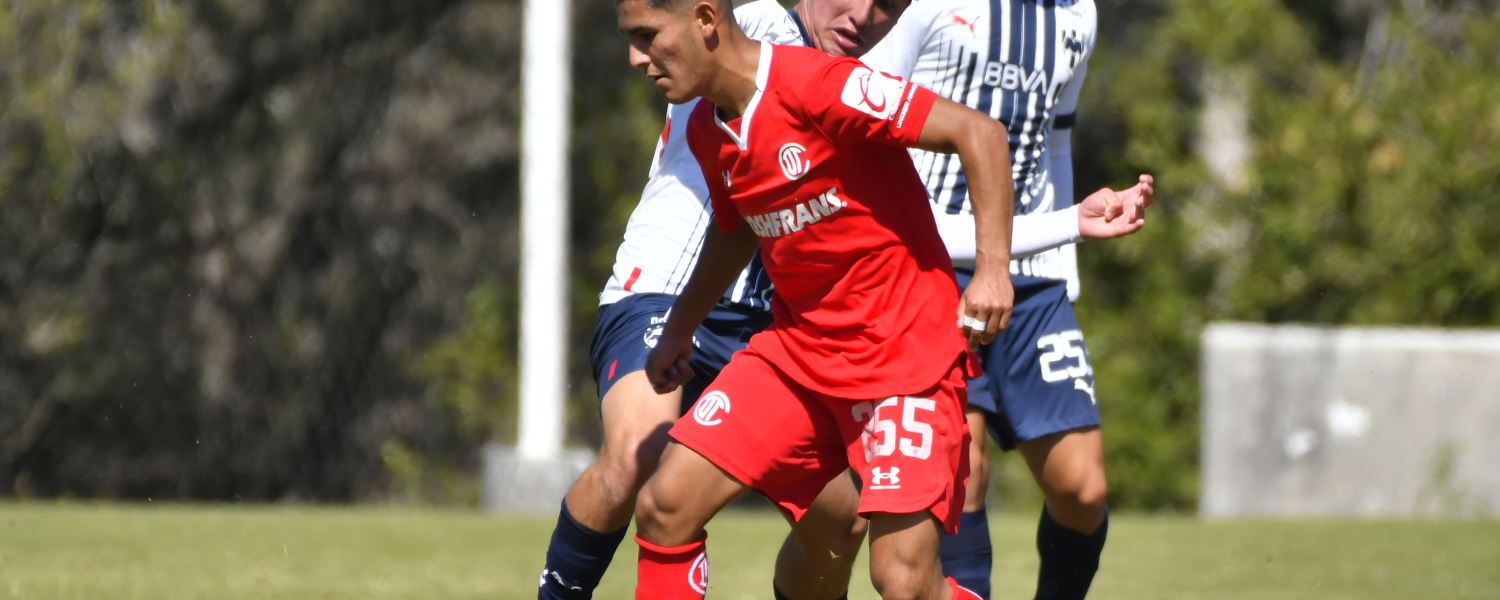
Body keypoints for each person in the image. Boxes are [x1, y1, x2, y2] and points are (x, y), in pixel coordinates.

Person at [616, 0, 1028, 596]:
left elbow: (979, 132)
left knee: (903, 580)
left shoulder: (820, 85)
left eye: (648, 36)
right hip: (799, 358)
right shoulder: (708, 125)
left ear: (705, 20)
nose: (637, 58)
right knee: (665, 505)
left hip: (906, 361)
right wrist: (682, 326)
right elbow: (738, 227)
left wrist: (992, 272)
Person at [537, 2, 915, 600]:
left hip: (768, 327)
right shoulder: (757, 27)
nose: (863, 15)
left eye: (889, 6)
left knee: (841, 523)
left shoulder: (867, 81)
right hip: (666, 288)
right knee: (638, 454)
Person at [860, 2, 1154, 598]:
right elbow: (866, 115)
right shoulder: (925, 4)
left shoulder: (1080, 14)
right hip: (930, 266)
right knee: (963, 472)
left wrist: (1064, 263)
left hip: (1034, 272)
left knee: (1083, 487)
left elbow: (1056, 140)